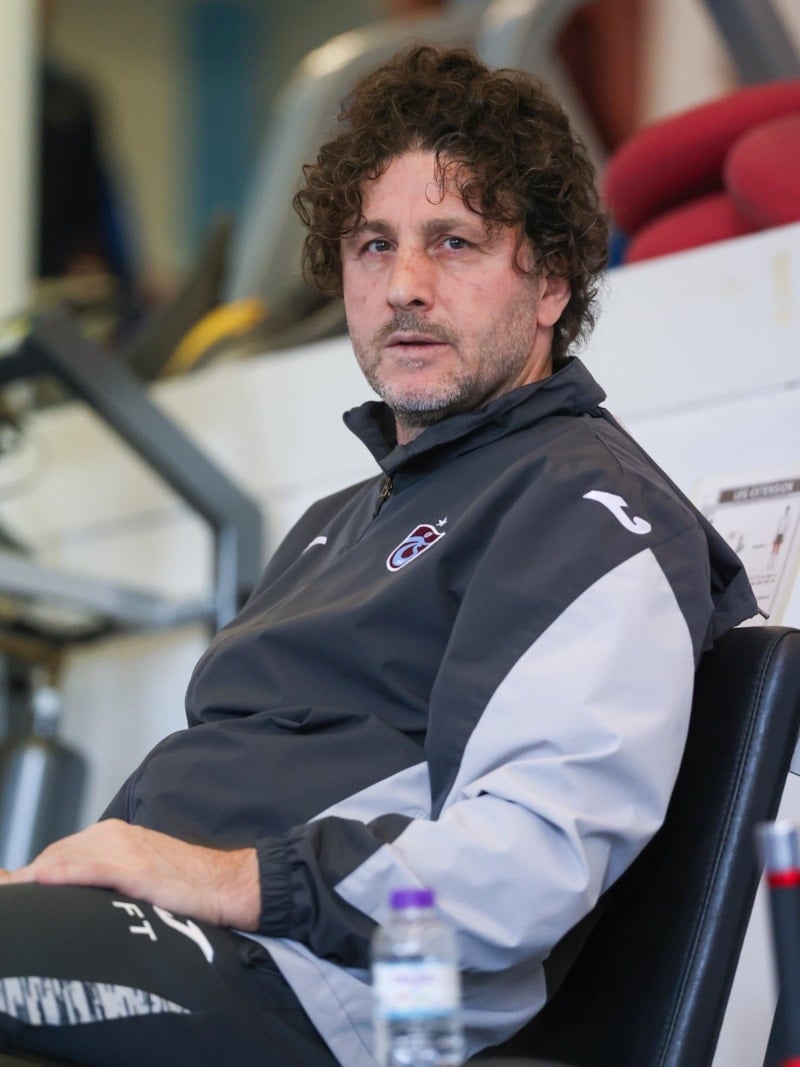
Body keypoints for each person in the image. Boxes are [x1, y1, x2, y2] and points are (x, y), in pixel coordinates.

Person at [0, 44, 756, 1067]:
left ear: (549, 286)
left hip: (331, 991)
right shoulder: (338, 522)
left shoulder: (585, 510)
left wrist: (221, 879)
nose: (403, 285)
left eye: (453, 243)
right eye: (372, 245)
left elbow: (531, 861)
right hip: (192, 941)